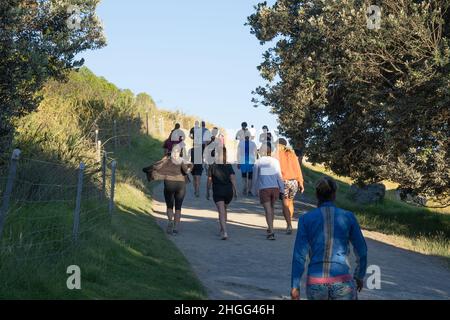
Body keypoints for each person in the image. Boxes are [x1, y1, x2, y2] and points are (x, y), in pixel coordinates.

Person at [291, 177, 368, 300]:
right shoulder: (348, 217)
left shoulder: (306, 219)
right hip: (342, 282)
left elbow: (299, 256)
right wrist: (359, 275)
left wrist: (295, 286)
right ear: (334, 194)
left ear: (317, 194)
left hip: (316, 283)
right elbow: (362, 251)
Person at [150, 144, 193, 235]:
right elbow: (187, 170)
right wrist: (189, 167)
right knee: (178, 207)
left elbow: (156, 166)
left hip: (169, 185)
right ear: (180, 152)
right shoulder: (182, 161)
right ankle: (176, 227)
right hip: (180, 186)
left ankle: (170, 221)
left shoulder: (166, 160)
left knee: (169, 206)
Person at [251, 145, 284, 240]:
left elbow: (255, 177)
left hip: (264, 189)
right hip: (275, 188)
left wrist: (254, 189)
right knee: (271, 209)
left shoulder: (258, 162)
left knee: (268, 210)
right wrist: (282, 188)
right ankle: (270, 228)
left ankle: (271, 231)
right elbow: (279, 176)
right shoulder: (275, 161)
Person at [275, 138, 305, 235]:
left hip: (284, 181)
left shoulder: (277, 155)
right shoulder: (292, 154)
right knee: (290, 202)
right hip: (294, 182)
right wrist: (301, 182)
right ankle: (289, 223)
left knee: (285, 204)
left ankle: (289, 225)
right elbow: (298, 168)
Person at [206, 147, 238, 240]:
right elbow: (233, 178)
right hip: (228, 191)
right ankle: (222, 229)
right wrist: (235, 191)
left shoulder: (212, 166)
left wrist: (207, 191)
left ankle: (224, 231)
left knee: (221, 211)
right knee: (224, 210)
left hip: (218, 191)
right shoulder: (228, 165)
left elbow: (209, 180)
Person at [237, 131, 258, 195]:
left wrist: (238, 162)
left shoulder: (240, 143)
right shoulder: (253, 143)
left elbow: (238, 153)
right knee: (250, 176)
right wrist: (256, 161)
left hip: (243, 160)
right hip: (251, 160)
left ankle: (244, 188)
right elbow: (256, 153)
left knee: (244, 175)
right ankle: (249, 189)